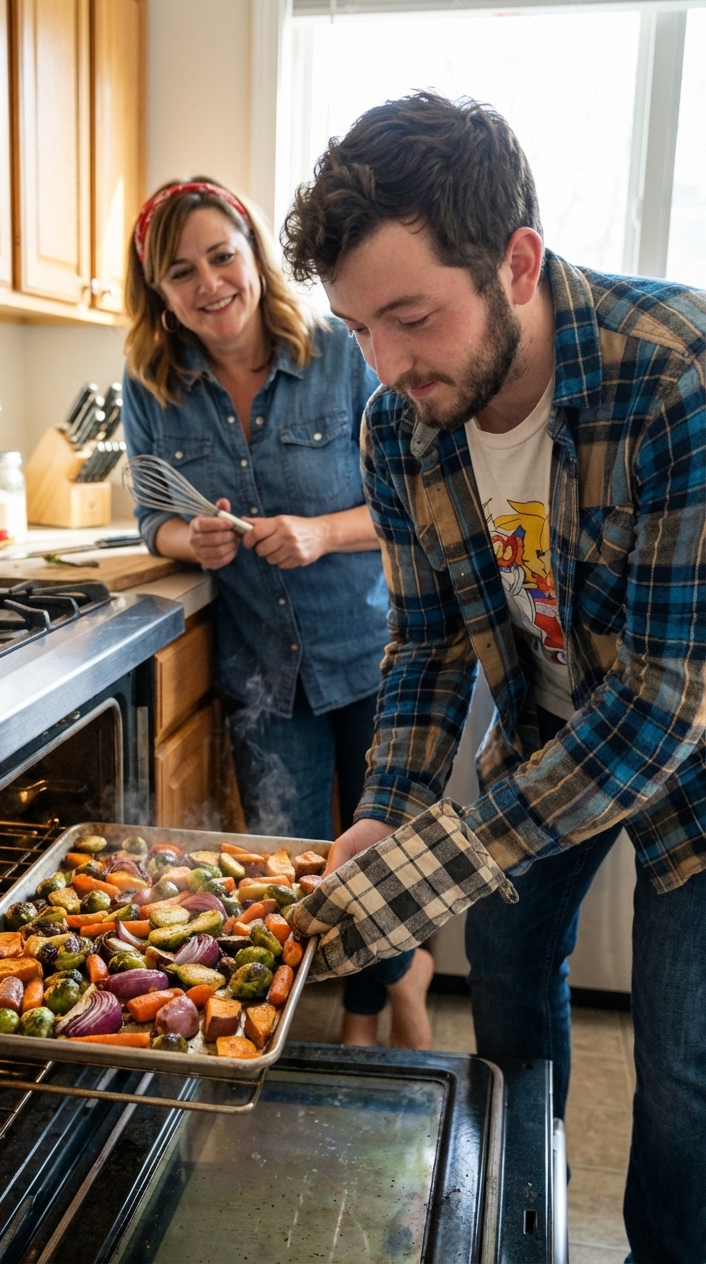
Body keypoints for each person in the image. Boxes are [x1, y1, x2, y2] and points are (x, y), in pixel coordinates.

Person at [283, 93, 705, 1264]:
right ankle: (528, 1230)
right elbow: (423, 642)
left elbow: (666, 699)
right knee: (510, 1007)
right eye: (358, 327)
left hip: (692, 755)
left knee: (682, 1080)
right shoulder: (396, 427)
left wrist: (459, 847)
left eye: (409, 317)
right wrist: (387, 812)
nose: (385, 364)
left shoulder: (675, 375)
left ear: (515, 261)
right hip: (542, 738)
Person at [121, 177, 434, 1047]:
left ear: (253, 256)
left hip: (370, 648)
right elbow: (153, 517)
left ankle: (386, 1000)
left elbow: (410, 509)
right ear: (159, 292)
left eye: (222, 256)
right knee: (288, 868)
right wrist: (192, 539)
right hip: (261, 670)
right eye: (181, 272)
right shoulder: (151, 383)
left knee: (385, 856)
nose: (209, 283)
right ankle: (295, 1019)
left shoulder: (344, 353)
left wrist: (319, 533)